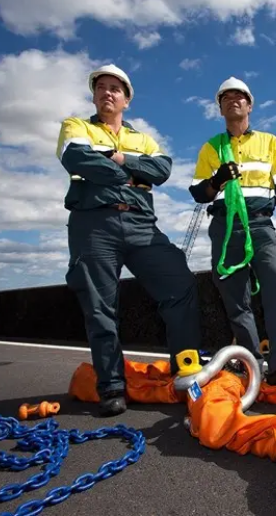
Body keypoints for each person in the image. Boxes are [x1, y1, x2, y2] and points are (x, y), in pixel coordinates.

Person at [56, 64, 203, 416]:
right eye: (101, 87)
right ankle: (111, 386)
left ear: (126, 99)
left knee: (180, 283)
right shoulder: (75, 127)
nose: (108, 93)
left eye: (115, 89)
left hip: (140, 224)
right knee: (100, 306)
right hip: (94, 223)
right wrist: (131, 171)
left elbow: (163, 169)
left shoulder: (144, 137)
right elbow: (76, 157)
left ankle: (185, 371)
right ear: (94, 94)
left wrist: (116, 158)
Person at [188, 77, 276, 389]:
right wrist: (216, 181)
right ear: (220, 108)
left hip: (260, 224)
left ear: (249, 105)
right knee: (235, 299)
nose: (233, 101)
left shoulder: (269, 142)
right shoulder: (211, 148)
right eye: (225, 98)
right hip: (225, 228)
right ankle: (252, 363)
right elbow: (199, 192)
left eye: (239, 96)